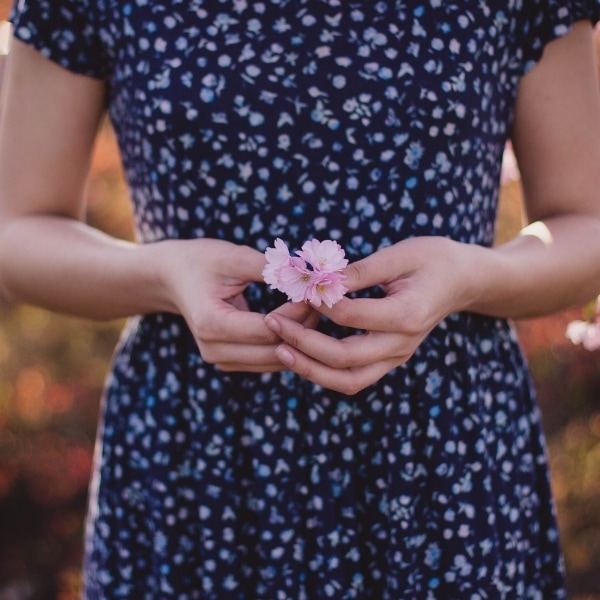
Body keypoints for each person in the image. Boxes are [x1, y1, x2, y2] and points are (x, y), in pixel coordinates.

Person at [1, 0, 600, 598]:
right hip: (198, 452)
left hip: (442, 451)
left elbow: (586, 225)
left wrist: (473, 273)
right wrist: (161, 273)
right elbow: (16, 232)